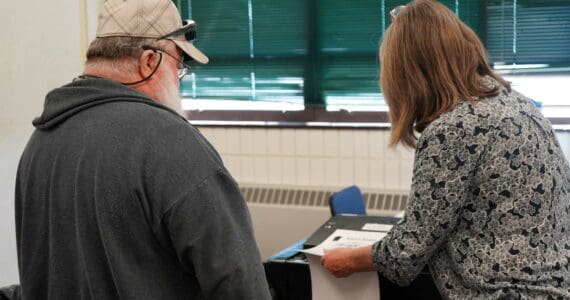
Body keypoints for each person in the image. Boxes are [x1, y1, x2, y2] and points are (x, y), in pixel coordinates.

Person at [15, 0, 271, 299]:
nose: (179, 80)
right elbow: (239, 283)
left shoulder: (40, 143)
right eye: (179, 66)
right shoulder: (171, 142)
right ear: (149, 61)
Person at [321, 0, 570, 299]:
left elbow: (408, 251)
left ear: (411, 74)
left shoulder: (455, 127)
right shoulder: (516, 103)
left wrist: (348, 259)